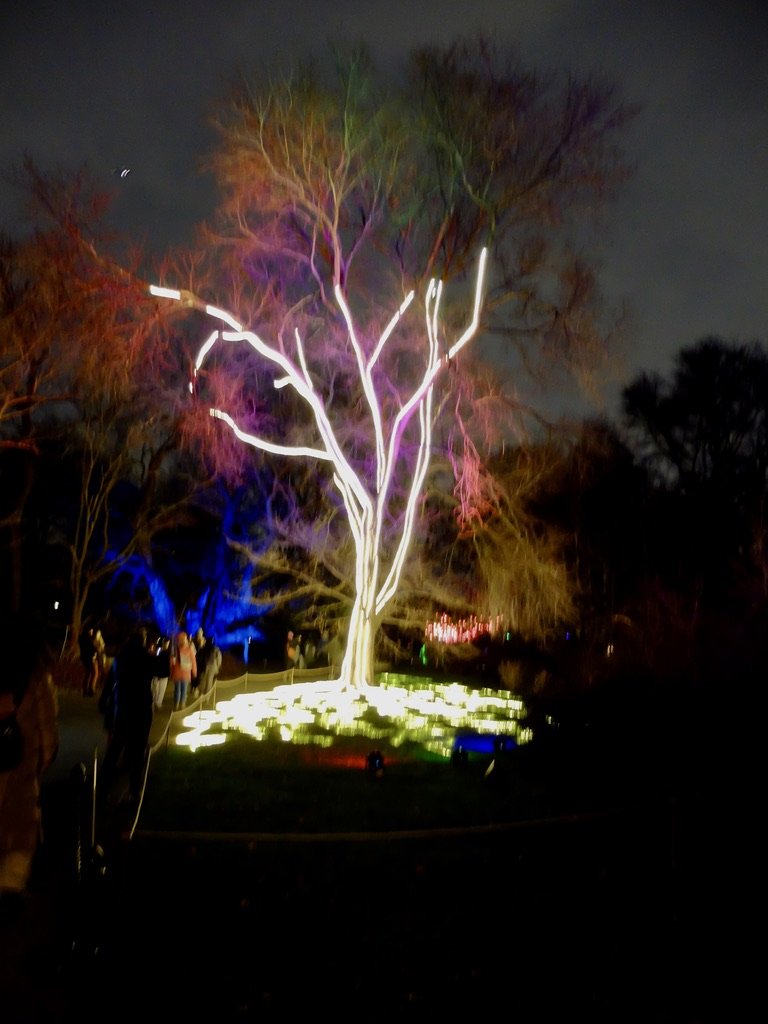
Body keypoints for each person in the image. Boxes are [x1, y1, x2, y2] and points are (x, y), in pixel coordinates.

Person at [0, 615, 59, 918]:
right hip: (20, 768)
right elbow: (47, 727)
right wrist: (44, 758)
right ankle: (9, 890)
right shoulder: (34, 674)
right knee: (19, 833)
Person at [98, 626, 156, 809]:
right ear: (143, 641)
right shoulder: (146, 658)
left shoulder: (120, 659)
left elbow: (110, 683)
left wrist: (104, 701)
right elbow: (162, 670)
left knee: (114, 751)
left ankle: (102, 790)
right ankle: (134, 791)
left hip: (123, 708)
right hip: (141, 710)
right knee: (137, 752)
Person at [170, 630, 197, 710]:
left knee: (177, 690)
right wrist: (194, 672)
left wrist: (171, 672)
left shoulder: (175, 650)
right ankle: (182, 704)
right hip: (186, 673)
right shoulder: (189, 650)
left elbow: (171, 662)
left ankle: (176, 705)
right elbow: (193, 662)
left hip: (177, 673)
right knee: (184, 690)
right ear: (186, 639)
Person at [193, 628, 222, 696]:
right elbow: (219, 659)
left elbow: (201, 656)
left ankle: (201, 693)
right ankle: (207, 696)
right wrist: (218, 666)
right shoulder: (216, 649)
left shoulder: (205, 648)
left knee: (203, 680)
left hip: (205, 666)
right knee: (209, 681)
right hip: (212, 667)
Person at [151, 636, 171, 709]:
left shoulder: (167, 652)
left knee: (161, 689)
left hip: (164, 673)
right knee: (156, 689)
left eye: (168, 643)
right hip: (159, 673)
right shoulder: (159, 651)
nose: (167, 644)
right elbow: (157, 662)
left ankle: (158, 703)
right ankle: (155, 702)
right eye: (167, 643)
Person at [79, 626, 98, 697]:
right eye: (91, 630)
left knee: (89, 673)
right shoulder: (87, 639)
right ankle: (91, 689)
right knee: (94, 673)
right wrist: (95, 651)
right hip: (90, 658)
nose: (92, 631)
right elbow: (92, 648)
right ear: (88, 631)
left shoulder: (82, 638)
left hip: (86, 658)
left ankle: (86, 690)